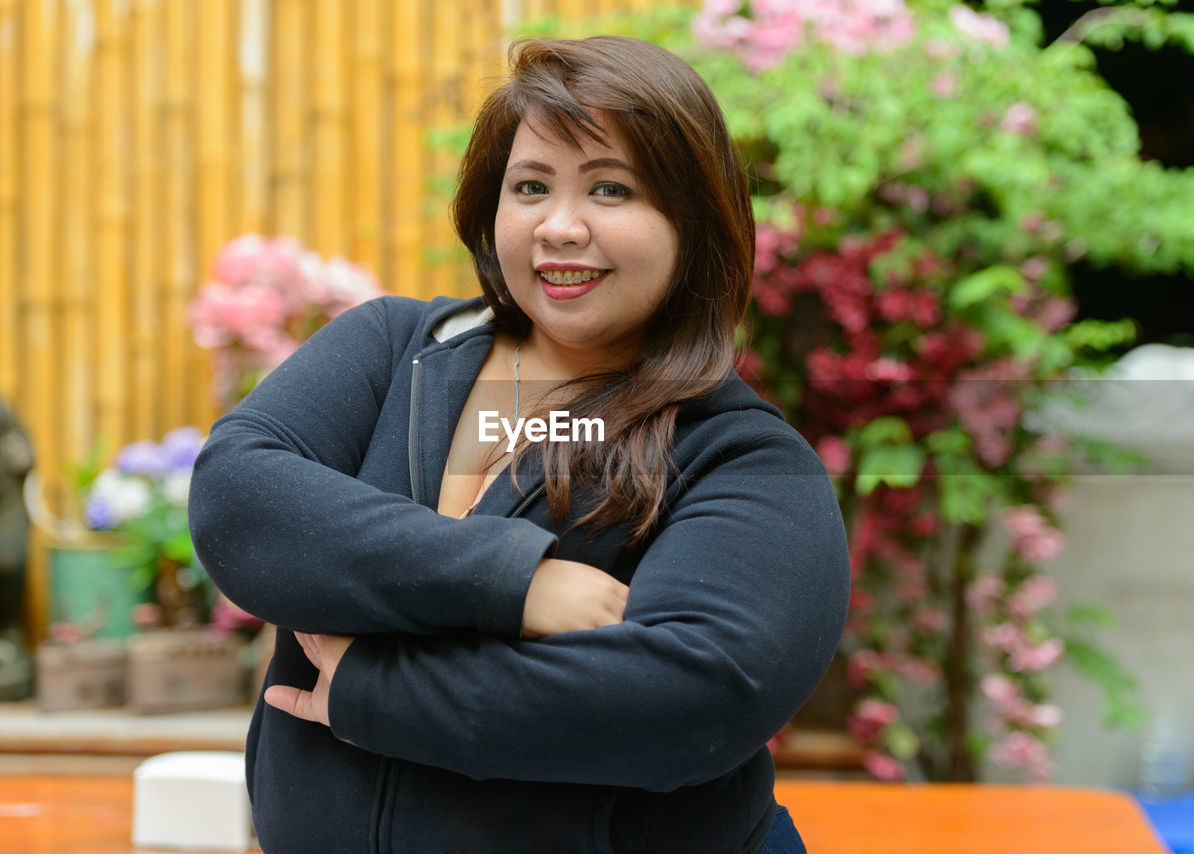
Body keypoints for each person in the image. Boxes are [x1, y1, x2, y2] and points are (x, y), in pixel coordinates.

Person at [188, 35, 849, 854]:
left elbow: (695, 701)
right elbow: (240, 499)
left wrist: (375, 690)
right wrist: (512, 581)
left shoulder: (740, 459)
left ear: (694, 220)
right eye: (530, 186)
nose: (560, 227)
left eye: (612, 189)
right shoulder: (394, 350)